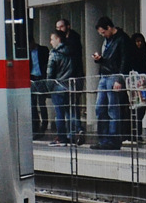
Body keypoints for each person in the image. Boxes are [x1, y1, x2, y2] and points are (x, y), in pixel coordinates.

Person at [91, 16, 131, 149]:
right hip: (105, 75)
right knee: (100, 107)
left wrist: (119, 79)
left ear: (109, 28)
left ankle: (113, 139)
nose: (103, 35)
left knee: (113, 109)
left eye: (103, 32)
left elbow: (125, 60)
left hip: (114, 75)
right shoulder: (109, 40)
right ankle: (104, 138)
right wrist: (100, 60)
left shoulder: (122, 39)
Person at [45, 30, 76, 145]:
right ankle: (73, 135)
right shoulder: (71, 51)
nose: (51, 42)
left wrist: (49, 87)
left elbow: (50, 72)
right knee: (71, 112)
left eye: (52, 39)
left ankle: (61, 138)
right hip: (70, 85)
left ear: (58, 39)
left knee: (59, 114)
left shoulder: (54, 53)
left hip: (57, 86)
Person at [55, 18, 84, 136]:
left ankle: (75, 130)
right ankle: (75, 130)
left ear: (68, 26)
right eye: (57, 28)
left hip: (72, 77)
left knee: (71, 105)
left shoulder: (72, 41)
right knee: (70, 106)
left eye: (61, 27)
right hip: (68, 77)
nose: (59, 29)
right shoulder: (66, 41)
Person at [28, 37, 50, 140]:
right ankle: (35, 127)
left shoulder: (43, 50)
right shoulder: (27, 53)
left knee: (42, 103)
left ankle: (44, 126)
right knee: (32, 104)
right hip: (32, 79)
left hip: (41, 78)